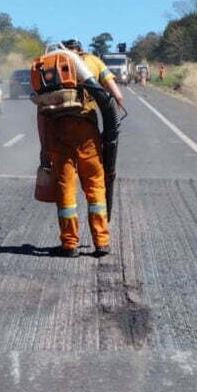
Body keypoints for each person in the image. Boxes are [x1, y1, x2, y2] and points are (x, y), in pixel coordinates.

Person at [38, 38, 125, 258]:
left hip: (57, 131)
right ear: (80, 49)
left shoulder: (47, 66)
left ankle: (69, 244)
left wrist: (44, 147)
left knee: (65, 187)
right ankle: (101, 241)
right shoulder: (93, 62)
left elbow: (41, 112)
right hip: (86, 130)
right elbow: (117, 95)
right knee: (95, 185)